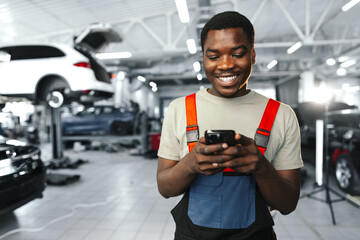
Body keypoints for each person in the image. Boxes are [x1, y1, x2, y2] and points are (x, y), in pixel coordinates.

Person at [157, 11, 303, 240]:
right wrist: (191, 164)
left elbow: (288, 203)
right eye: (213, 56)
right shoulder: (180, 109)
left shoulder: (280, 115)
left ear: (253, 55)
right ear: (203, 58)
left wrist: (261, 167)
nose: (225, 65)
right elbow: (165, 188)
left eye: (237, 54)